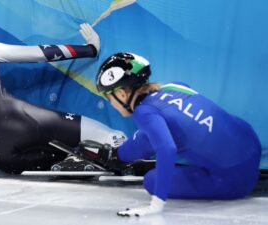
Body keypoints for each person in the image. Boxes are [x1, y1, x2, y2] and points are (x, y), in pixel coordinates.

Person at [71, 52, 262, 216]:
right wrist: (120, 155)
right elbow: (159, 132)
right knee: (158, 131)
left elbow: (167, 149)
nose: (110, 104)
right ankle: (119, 155)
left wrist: (156, 204)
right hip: (253, 147)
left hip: (236, 182)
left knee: (151, 180)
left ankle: (119, 158)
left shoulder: (143, 112)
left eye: (109, 97)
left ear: (121, 94)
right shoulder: (173, 87)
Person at [0, 24, 126, 174]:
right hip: (27, 124)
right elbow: (43, 53)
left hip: (4, 159)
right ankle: (123, 149)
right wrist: (90, 49)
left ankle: (75, 158)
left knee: (70, 155)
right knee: (107, 136)